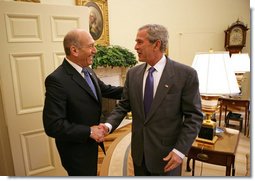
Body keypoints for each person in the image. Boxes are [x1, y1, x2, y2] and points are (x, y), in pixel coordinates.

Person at [101, 24, 203, 176]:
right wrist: (108, 126)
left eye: (139, 42)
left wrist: (180, 151)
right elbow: (123, 105)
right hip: (139, 154)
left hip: (167, 156)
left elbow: (193, 117)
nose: (135, 47)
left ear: (157, 44)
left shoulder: (185, 74)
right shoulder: (133, 74)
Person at [42, 29, 123, 176]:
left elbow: (106, 90)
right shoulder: (57, 80)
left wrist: (136, 89)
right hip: (76, 151)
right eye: (91, 46)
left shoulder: (88, 71)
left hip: (91, 144)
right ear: (74, 50)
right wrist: (90, 131)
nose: (95, 50)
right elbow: (53, 125)